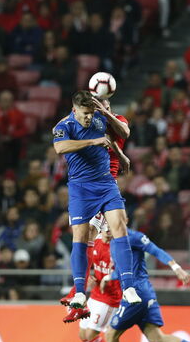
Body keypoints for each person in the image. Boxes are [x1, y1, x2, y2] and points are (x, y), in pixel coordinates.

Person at [81, 228, 190, 342]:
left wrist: (176, 269)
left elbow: (156, 250)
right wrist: (109, 276)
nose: (107, 228)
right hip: (145, 292)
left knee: (111, 334)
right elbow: (124, 270)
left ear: (123, 220)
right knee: (157, 338)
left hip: (136, 293)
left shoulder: (133, 237)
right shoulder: (114, 242)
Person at [52, 90, 138, 320]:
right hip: (81, 189)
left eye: (93, 112)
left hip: (106, 183)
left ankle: (128, 285)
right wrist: (92, 140)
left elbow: (114, 137)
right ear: (74, 109)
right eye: (86, 113)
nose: (90, 117)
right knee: (81, 237)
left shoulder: (101, 118)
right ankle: (79, 293)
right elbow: (60, 148)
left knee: (119, 227)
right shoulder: (63, 126)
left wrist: (121, 155)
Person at [65, 218, 123, 342]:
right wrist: (88, 274)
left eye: (112, 227)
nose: (109, 230)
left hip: (111, 298)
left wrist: (110, 277)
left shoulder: (118, 247)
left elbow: (126, 269)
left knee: (91, 334)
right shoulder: (95, 242)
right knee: (82, 334)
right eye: (107, 226)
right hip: (96, 294)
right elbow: (86, 259)